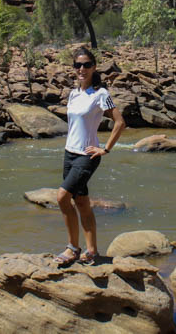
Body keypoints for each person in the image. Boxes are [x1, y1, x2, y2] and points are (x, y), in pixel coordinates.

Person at [55, 46, 126, 266]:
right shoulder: (74, 93)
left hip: (88, 156)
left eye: (86, 65)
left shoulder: (100, 94)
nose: (82, 69)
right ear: (74, 68)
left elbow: (120, 122)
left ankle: (72, 248)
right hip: (69, 154)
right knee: (82, 203)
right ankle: (92, 250)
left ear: (94, 67)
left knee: (62, 198)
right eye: (78, 65)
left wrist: (105, 148)